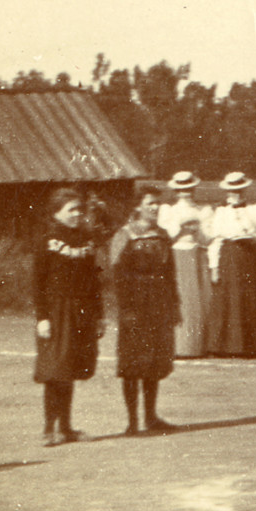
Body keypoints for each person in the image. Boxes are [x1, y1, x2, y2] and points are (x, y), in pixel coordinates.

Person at [33, 188, 103, 447]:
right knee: (55, 369)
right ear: (56, 213)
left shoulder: (86, 239)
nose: (77, 214)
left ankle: (66, 427)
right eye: (70, 209)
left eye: (79, 209)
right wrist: (42, 317)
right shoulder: (47, 240)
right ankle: (49, 429)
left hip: (82, 311)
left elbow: (94, 280)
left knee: (71, 367)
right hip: (56, 312)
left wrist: (99, 315)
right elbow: (37, 283)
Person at [107, 184, 179, 434]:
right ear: (138, 206)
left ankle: (151, 416)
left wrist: (175, 305)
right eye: (150, 203)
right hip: (135, 304)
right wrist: (126, 308)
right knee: (132, 362)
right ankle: (132, 422)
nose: (155, 208)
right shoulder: (125, 235)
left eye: (157, 203)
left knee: (154, 361)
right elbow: (117, 274)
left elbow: (170, 272)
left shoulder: (162, 235)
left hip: (158, 303)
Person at [204, 172, 256, 358]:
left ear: (244, 190)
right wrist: (214, 267)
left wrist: (253, 237)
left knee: (249, 298)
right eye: (232, 191)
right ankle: (225, 346)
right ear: (227, 192)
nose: (235, 194)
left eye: (238, 190)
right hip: (228, 257)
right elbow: (216, 240)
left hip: (248, 257)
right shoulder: (221, 212)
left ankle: (252, 346)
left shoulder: (253, 210)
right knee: (228, 299)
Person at [157, 172, 212, 358]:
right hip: (176, 254)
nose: (185, 193)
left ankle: (197, 346)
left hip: (196, 254)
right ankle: (178, 346)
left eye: (188, 189)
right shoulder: (168, 210)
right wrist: (181, 226)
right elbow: (165, 237)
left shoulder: (202, 210)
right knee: (179, 298)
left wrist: (198, 231)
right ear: (176, 191)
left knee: (198, 300)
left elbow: (207, 239)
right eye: (181, 190)